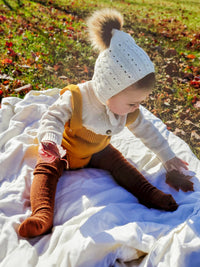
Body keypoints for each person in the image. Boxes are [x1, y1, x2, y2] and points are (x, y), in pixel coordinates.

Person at [18, 8, 193, 238]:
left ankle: (150, 194)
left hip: (97, 151)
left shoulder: (128, 110)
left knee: (120, 164)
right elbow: (53, 117)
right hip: (63, 150)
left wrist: (168, 158)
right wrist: (50, 141)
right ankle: (42, 214)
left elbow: (148, 132)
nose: (136, 108)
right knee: (45, 169)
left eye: (139, 102)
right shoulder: (77, 97)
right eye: (132, 103)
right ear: (108, 90)